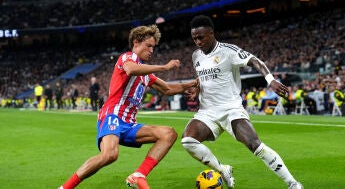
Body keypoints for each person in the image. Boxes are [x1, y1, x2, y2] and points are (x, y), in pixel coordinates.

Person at [58, 24, 198, 189]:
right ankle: (65, 187)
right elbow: (131, 69)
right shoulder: (126, 58)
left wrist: (194, 83)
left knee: (168, 133)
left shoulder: (146, 74)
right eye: (149, 46)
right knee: (110, 155)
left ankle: (138, 175)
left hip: (129, 124)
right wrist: (164, 67)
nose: (152, 50)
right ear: (136, 42)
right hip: (112, 116)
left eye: (154, 47)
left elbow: (167, 89)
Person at [181, 15, 303, 189]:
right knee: (188, 141)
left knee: (255, 145)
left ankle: (293, 184)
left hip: (231, 109)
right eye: (194, 38)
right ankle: (223, 170)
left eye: (201, 37)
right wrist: (196, 89)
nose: (198, 41)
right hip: (207, 112)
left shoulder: (228, 51)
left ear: (211, 33)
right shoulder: (196, 56)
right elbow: (203, 78)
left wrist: (271, 80)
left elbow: (255, 61)